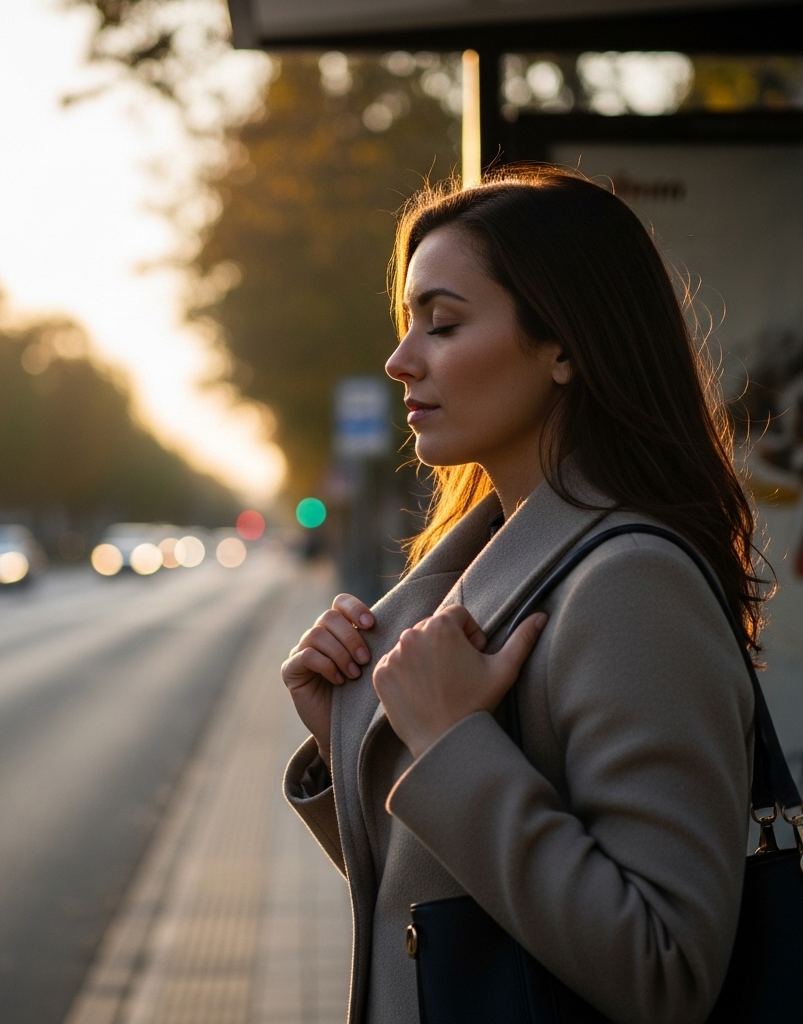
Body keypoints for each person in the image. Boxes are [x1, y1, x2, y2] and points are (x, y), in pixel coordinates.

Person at [280, 165, 763, 1024]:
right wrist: (361, 739)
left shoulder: (629, 585)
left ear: (566, 346)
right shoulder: (479, 577)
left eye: (444, 323)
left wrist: (450, 739)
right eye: (406, 326)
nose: (400, 361)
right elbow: (461, 924)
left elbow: (665, 968)